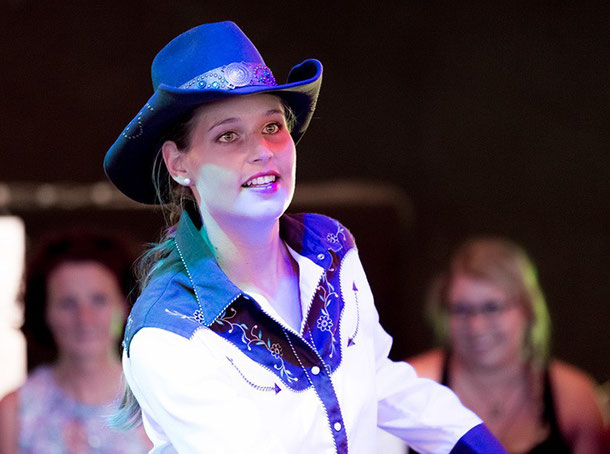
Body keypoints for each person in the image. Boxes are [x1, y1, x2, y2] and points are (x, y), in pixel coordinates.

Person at [103, 21, 505, 453]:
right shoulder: (168, 333)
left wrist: (477, 444)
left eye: (272, 127)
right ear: (179, 164)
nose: (261, 150)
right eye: (228, 135)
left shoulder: (329, 246)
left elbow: (376, 378)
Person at [407, 237, 604, 453]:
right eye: (461, 310)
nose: (476, 326)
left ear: (528, 309)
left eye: (492, 307)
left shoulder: (574, 396)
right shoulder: (412, 384)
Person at [0, 229, 151, 453]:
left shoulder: (156, 403)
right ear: (44, 312)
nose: (85, 318)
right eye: (67, 303)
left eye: (99, 300)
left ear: (125, 307)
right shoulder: (15, 411)